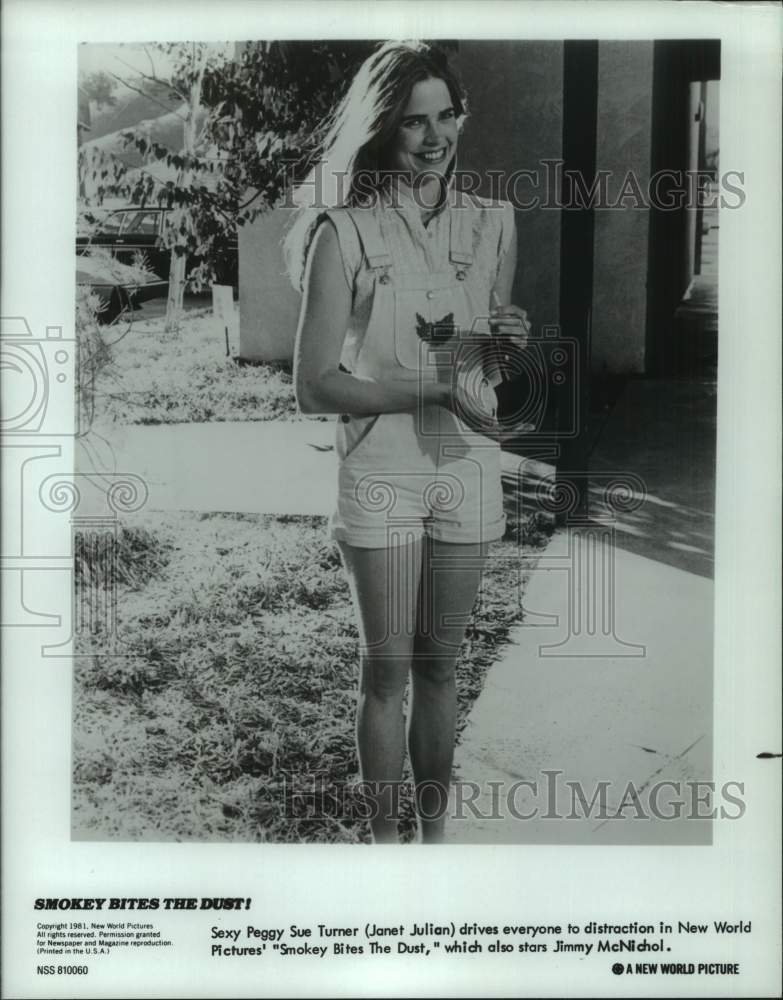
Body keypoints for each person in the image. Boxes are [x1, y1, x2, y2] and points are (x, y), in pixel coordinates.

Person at [286, 40, 530, 844]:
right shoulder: (342, 232)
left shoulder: (493, 218)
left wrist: (507, 339)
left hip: (467, 467)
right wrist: (434, 390)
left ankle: (433, 845)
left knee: (441, 667)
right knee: (386, 669)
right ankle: (386, 848)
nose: (434, 138)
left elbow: (488, 342)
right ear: (380, 129)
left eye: (445, 116)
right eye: (411, 122)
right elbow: (316, 382)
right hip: (382, 471)